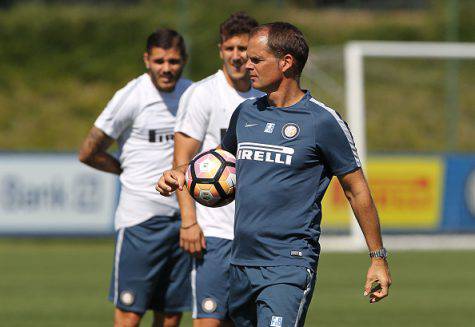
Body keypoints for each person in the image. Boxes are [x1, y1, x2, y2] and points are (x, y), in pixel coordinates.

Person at [156, 22, 392, 327]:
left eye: (256, 59)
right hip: (240, 262)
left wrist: (377, 257)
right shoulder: (246, 112)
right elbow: (219, 162)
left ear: (286, 62)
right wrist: (181, 173)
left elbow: (356, 190)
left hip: (288, 265)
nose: (246, 64)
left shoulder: (322, 121)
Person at [78, 28, 192, 327]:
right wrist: (124, 171)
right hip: (141, 221)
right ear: (146, 60)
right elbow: (89, 151)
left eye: (174, 61)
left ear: (184, 61)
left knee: (170, 315)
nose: (166, 68)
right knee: (129, 315)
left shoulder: (193, 95)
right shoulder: (131, 96)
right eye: (159, 61)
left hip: (184, 220)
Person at [172, 12, 261, 327]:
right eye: (230, 49)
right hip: (215, 232)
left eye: (243, 49)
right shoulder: (202, 93)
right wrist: (188, 223)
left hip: (255, 232)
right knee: (209, 321)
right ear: (220, 50)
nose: (236, 56)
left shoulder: (266, 96)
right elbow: (180, 162)